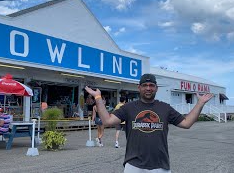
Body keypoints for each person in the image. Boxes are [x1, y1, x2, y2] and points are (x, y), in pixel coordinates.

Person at [85, 73, 213, 172]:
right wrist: (98, 98)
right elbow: (107, 121)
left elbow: (187, 123)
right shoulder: (129, 108)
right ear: (139, 87)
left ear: (156, 88)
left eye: (151, 85)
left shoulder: (165, 108)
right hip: (133, 165)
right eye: (145, 85)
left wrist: (200, 103)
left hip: (160, 166)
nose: (148, 88)